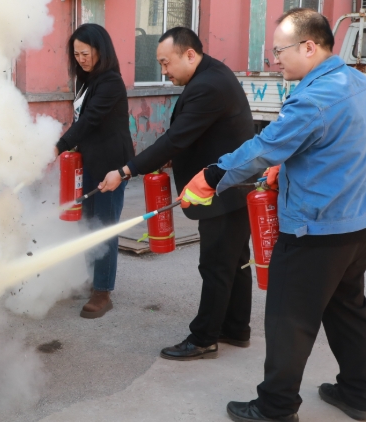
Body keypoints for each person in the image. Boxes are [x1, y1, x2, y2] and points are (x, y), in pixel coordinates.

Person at [178, 8, 366, 422]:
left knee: (289, 318)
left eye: (279, 50)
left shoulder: (313, 98)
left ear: (308, 47)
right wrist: (285, 168)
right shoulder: (355, 82)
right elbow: (334, 145)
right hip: (355, 225)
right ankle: (358, 393)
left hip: (313, 230)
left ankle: (276, 407)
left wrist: (212, 176)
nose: (275, 60)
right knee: (348, 310)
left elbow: (264, 146)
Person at [99, 27, 255, 360]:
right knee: (235, 261)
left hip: (221, 191)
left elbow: (176, 138)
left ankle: (204, 338)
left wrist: (126, 170)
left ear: (190, 55)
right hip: (233, 187)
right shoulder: (212, 75)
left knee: (216, 265)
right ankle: (236, 327)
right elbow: (197, 135)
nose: (163, 71)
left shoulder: (209, 85)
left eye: (166, 63)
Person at [55, 23, 135, 319]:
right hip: (89, 163)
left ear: (100, 50)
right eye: (76, 55)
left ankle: (103, 291)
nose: (81, 60)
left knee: (104, 227)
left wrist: (59, 146)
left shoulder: (110, 82)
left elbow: (89, 120)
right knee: (87, 223)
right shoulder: (87, 80)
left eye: (85, 54)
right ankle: (92, 279)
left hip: (111, 166)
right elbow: (80, 119)